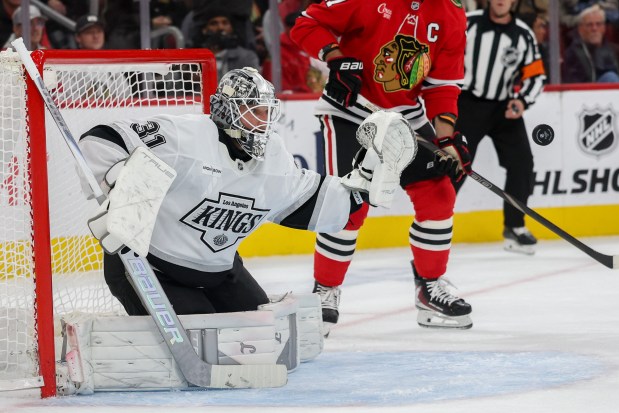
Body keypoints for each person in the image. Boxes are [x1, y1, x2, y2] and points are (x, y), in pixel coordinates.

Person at [78, 67, 416, 316]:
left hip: (222, 272)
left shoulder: (274, 155)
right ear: (228, 109)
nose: (263, 121)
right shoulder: (183, 136)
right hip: (149, 268)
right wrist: (122, 186)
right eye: (254, 111)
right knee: (210, 343)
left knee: (264, 340)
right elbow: (101, 138)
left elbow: (310, 203)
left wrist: (366, 182)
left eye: (267, 112)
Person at [291, 0, 474, 333]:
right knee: (349, 202)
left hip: (405, 119)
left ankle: (429, 288)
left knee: (438, 194)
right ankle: (325, 289)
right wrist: (336, 58)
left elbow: (442, 84)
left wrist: (447, 139)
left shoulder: (452, 13)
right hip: (351, 113)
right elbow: (305, 24)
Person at [455, 0, 546, 254]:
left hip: (505, 107)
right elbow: (442, 55)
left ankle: (515, 226)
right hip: (468, 104)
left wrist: (522, 100)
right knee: (454, 164)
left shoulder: (523, 33)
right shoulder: (467, 23)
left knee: (522, 164)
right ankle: (437, 223)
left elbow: (536, 75)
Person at [192, 7, 260, 80]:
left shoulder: (246, 58)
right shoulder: (194, 60)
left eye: (225, 23)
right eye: (214, 23)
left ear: (231, 28)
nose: (220, 27)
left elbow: (254, 86)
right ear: (204, 30)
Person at [562, 5, 619, 83]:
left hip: (613, 91)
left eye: (598, 24)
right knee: (610, 77)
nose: (594, 29)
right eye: (589, 25)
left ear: (604, 28)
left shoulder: (614, 50)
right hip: (588, 92)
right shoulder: (573, 53)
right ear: (580, 29)